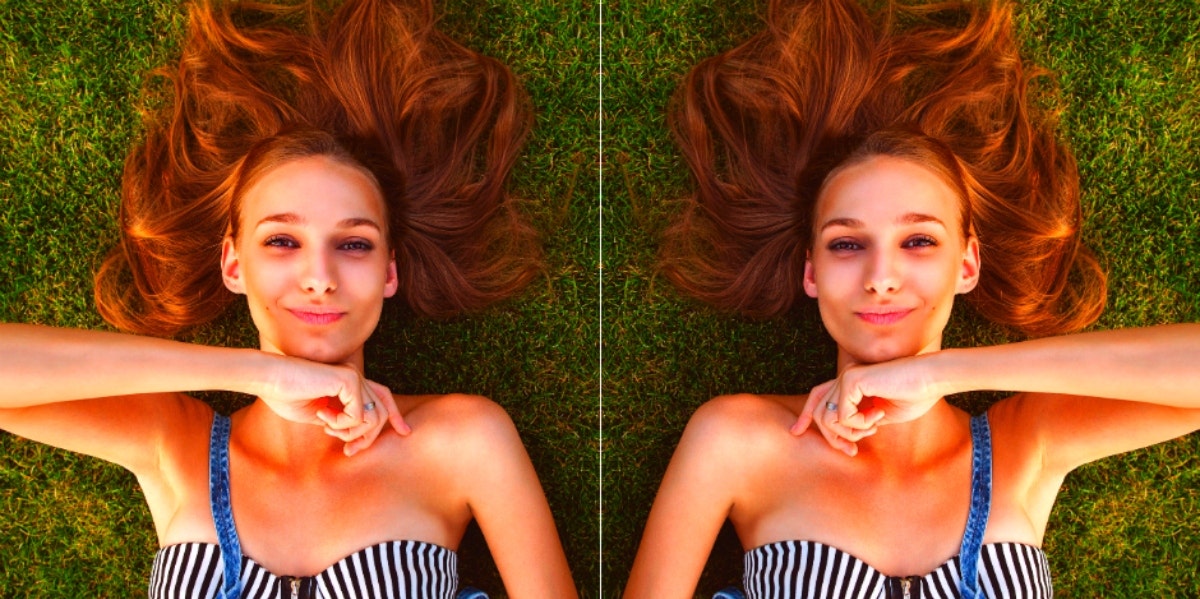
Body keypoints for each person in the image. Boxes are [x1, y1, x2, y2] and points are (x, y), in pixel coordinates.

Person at [0, 1, 577, 598]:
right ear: (233, 264)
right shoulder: (176, 443)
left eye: (353, 244)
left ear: (388, 273)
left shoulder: (462, 439)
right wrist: (260, 374)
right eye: (281, 240)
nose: (319, 276)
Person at [624, 0, 1200, 597]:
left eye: (919, 240)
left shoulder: (1025, 443)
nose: (881, 276)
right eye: (847, 244)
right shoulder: (739, 438)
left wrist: (940, 375)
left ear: (967, 264)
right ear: (812, 273)